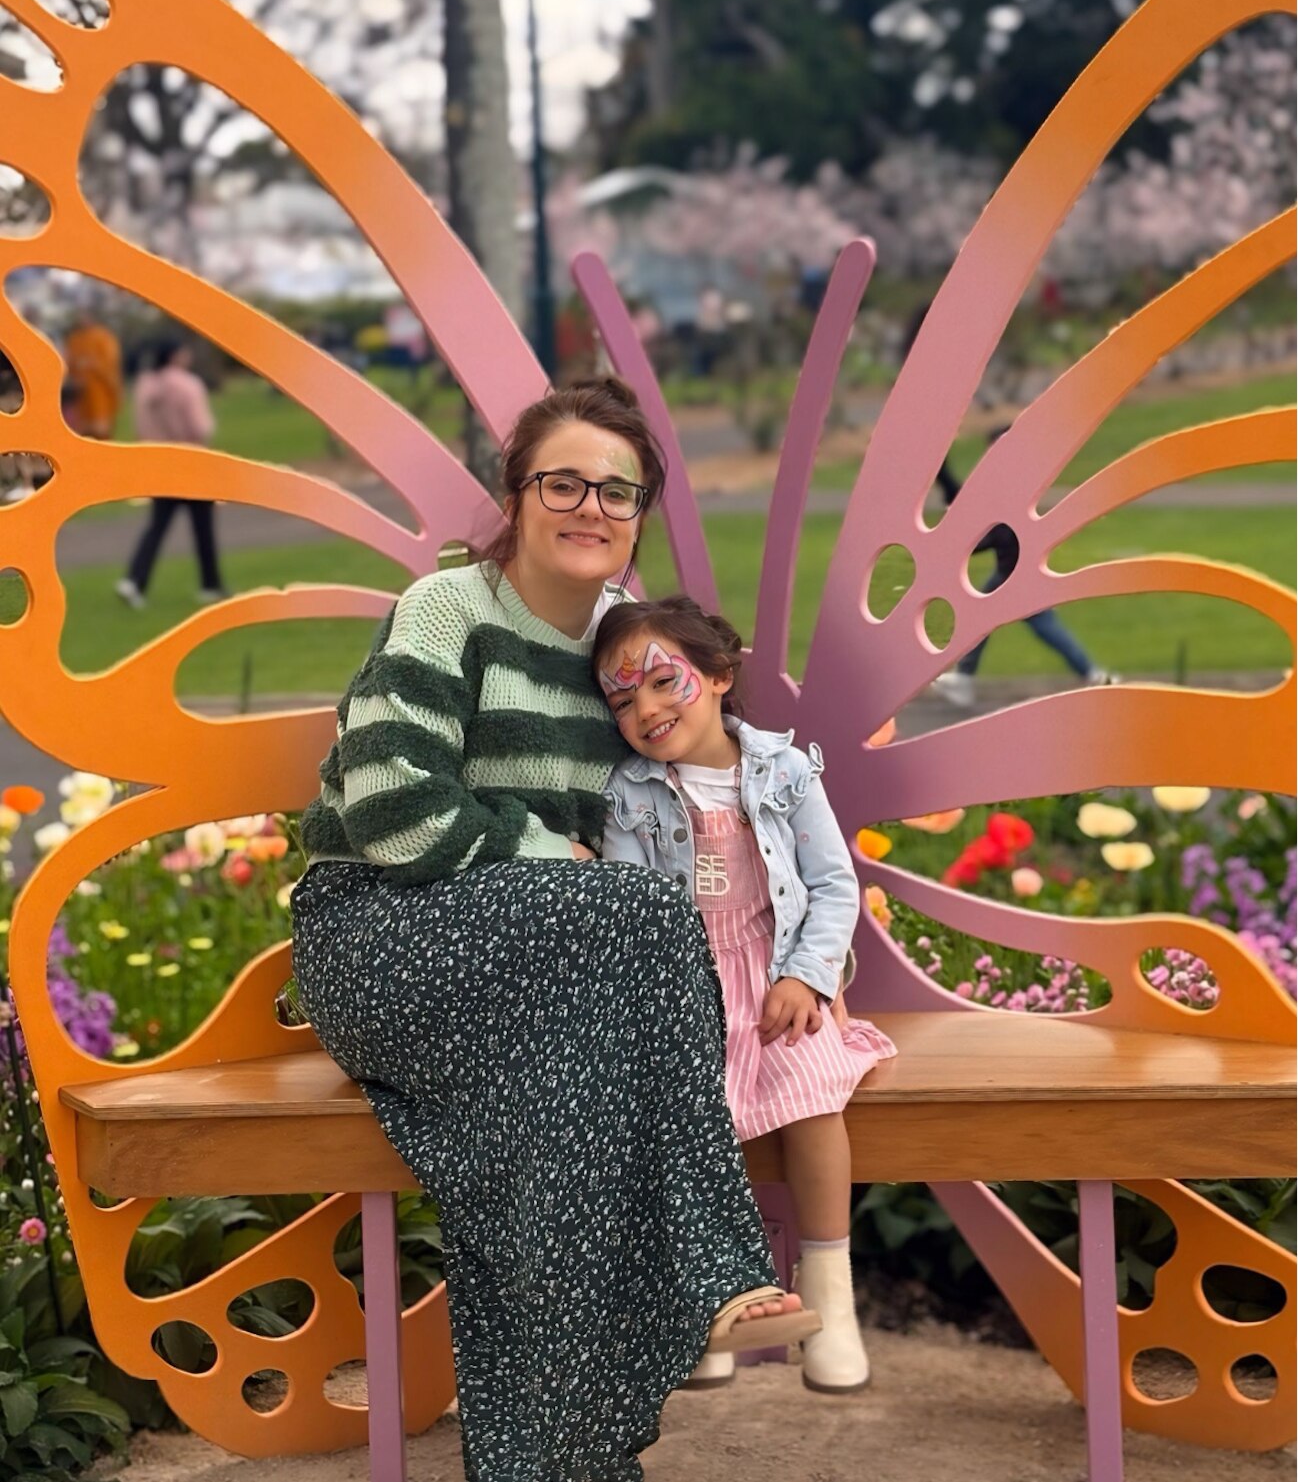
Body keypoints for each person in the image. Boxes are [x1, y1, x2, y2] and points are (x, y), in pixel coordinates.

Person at [290, 377, 818, 1482]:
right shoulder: (450, 611)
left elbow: (684, 809)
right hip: (380, 941)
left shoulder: (616, 655)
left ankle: (560, 1463)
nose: (590, 505)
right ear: (515, 492)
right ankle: (713, 1264)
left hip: (535, 969)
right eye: (562, 480)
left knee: (554, 1150)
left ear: (640, 510)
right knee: (629, 916)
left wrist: (803, 950)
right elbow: (391, 810)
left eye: (616, 489)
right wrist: (547, 858)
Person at [595, 594, 895, 1397]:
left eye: (663, 682)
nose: (645, 708)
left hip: (778, 982)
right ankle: (715, 1303)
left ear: (720, 675)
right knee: (685, 1112)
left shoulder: (785, 771)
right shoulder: (631, 793)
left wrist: (806, 974)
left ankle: (831, 1296)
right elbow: (632, 908)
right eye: (622, 699)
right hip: (684, 987)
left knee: (812, 1098)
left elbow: (835, 884)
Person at [931, 436, 1119, 706]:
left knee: (1036, 626)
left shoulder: (1011, 486)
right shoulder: (1009, 480)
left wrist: (965, 544)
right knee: (1034, 627)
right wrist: (943, 473)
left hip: (1016, 577)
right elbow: (971, 506)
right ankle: (1094, 675)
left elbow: (997, 529)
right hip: (1014, 572)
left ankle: (1094, 675)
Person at [115, 338, 223, 607]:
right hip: (190, 459)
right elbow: (200, 427)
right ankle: (210, 583)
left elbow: (139, 427)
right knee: (203, 525)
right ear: (176, 355)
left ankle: (135, 579)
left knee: (158, 525)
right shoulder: (187, 385)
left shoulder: (145, 387)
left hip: (159, 460)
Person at [62, 311, 122, 440]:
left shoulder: (103, 337)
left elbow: (110, 362)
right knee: (82, 433)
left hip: (99, 391)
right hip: (80, 394)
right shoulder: (75, 339)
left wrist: (93, 364)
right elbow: (68, 363)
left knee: (100, 432)